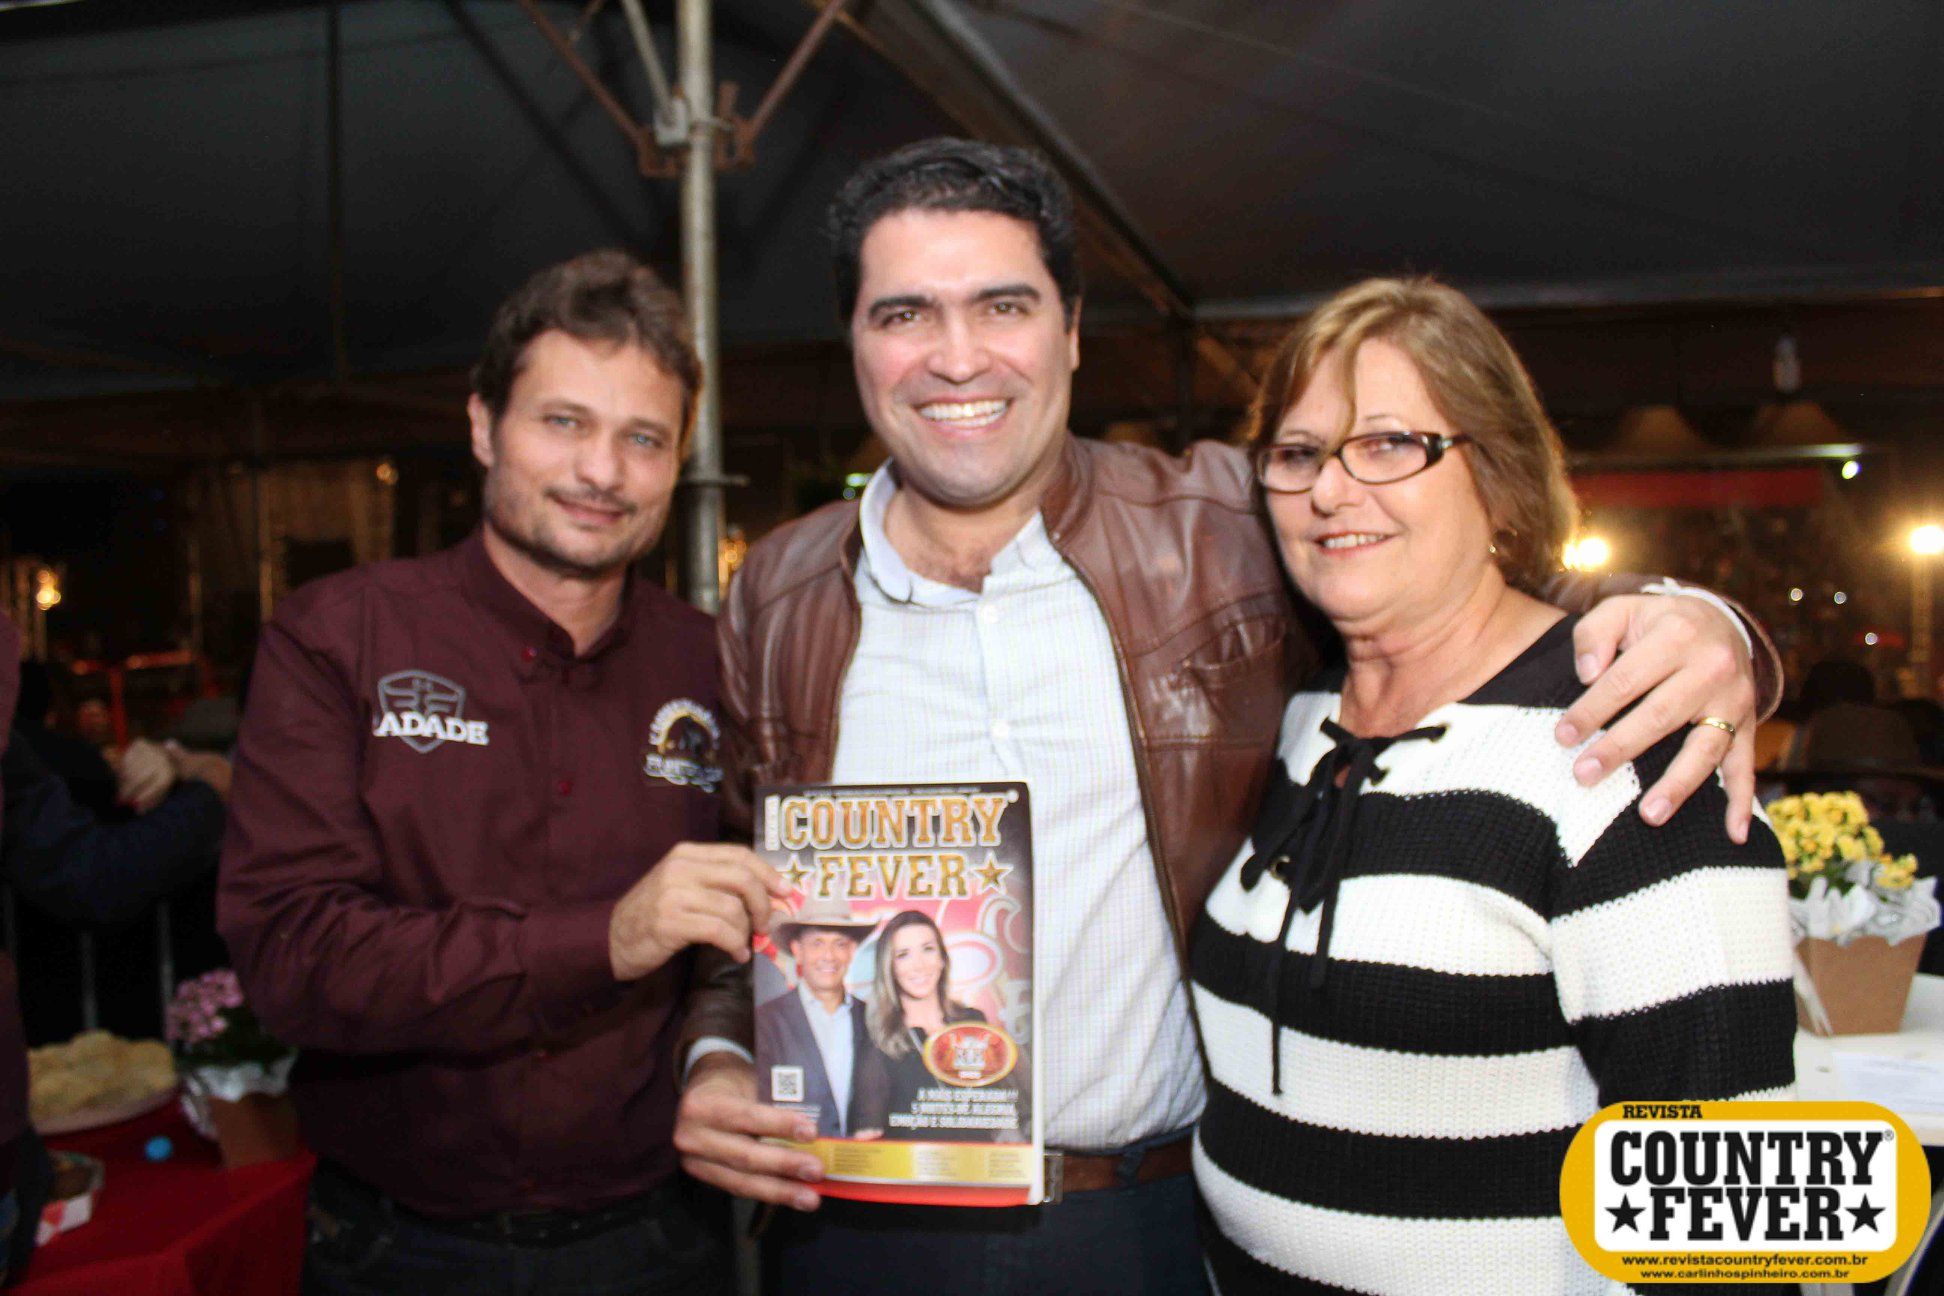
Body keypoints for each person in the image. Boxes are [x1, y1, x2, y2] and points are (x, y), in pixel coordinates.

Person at [671, 139, 1779, 1295]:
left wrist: (1706, 626)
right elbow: (742, 904)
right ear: (853, 341)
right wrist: (714, 1059)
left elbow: (1463, 578)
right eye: (904, 314)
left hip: (1138, 1225)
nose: (957, 357)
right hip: (853, 1227)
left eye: (1003, 306)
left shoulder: (1219, 528)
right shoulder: (779, 594)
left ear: (1071, 331)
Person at [1190, 277, 1796, 1293]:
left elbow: (1734, 1218)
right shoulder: (1301, 720)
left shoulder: (1629, 744)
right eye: (1298, 454)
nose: (1330, 491)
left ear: (1501, 478)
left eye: (1389, 443)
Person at [217, 249, 789, 1296]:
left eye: (643, 438)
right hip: (396, 1249)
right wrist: (604, 939)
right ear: (483, 426)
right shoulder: (340, 637)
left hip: (660, 1241)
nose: (601, 472)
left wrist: (721, 1058)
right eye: (563, 422)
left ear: (679, 462)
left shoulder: (712, 663)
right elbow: (293, 957)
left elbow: (761, 924)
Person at [853, 909, 992, 1142]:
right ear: (889, 968)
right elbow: (867, 1137)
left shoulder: (974, 1021)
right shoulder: (879, 1041)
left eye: (928, 949)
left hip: (979, 1161)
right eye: (903, 955)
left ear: (942, 958)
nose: (918, 965)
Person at [754, 899, 882, 1139]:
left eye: (839, 944)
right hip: (791, 1158)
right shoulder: (766, 1021)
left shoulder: (874, 1020)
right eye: (817, 943)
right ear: (797, 950)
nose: (828, 956)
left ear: (852, 951)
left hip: (861, 1158)